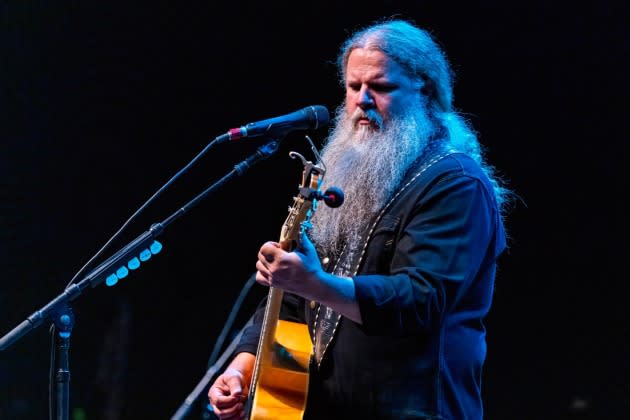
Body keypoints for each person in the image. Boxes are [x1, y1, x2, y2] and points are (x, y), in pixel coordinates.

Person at [208, 18, 510, 420]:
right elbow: (294, 296)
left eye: (381, 87)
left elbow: (420, 300)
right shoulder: (349, 171)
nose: (362, 100)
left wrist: (315, 283)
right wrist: (244, 365)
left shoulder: (455, 183)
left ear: (426, 92)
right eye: (353, 87)